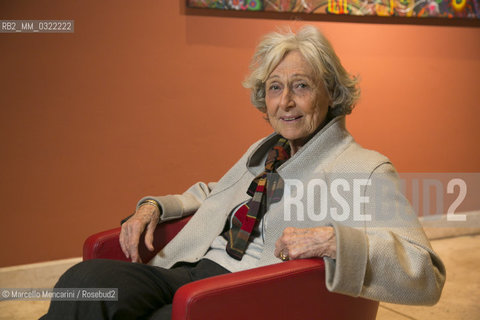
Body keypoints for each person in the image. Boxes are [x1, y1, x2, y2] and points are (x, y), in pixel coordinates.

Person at [42, 25, 446, 319]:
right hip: (195, 268)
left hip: (251, 293)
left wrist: (335, 242)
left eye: (301, 86)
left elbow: (425, 274)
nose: (285, 101)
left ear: (332, 92)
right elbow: (218, 192)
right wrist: (154, 207)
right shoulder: (266, 152)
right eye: (274, 87)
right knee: (85, 281)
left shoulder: (366, 168)